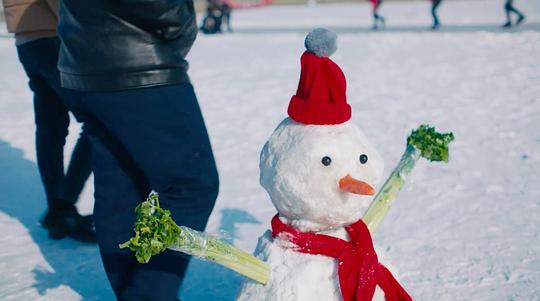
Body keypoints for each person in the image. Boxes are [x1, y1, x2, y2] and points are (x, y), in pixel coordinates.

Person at [57, 0, 220, 300]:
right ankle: (147, 294)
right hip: (140, 72)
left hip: (84, 66)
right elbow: (162, 9)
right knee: (192, 186)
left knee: (122, 189)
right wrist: (181, 22)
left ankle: (133, 290)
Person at [2, 0, 95, 242]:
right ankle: (63, 207)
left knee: (50, 129)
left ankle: (58, 208)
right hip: (54, 34)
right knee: (99, 124)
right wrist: (82, 26)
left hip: (27, 40)